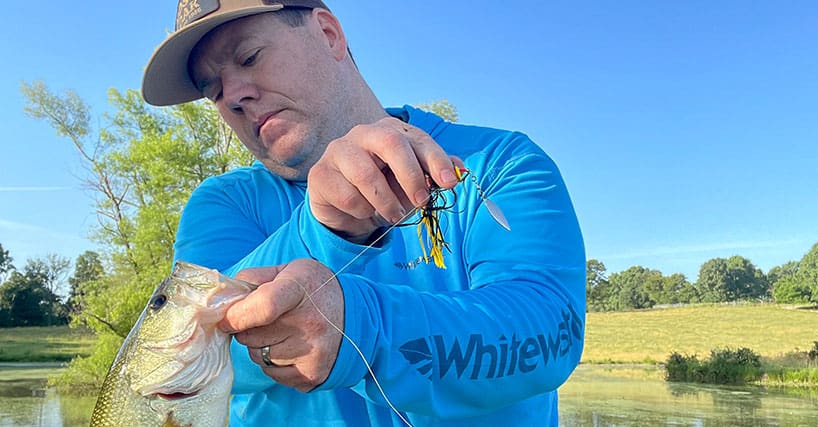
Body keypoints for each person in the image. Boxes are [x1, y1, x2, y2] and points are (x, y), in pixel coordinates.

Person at [142, 0, 586, 425]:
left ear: (329, 34)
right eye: (214, 91)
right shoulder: (221, 205)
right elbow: (189, 350)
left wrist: (365, 328)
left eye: (250, 56)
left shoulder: (500, 162)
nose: (233, 97)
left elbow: (551, 331)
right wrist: (322, 228)